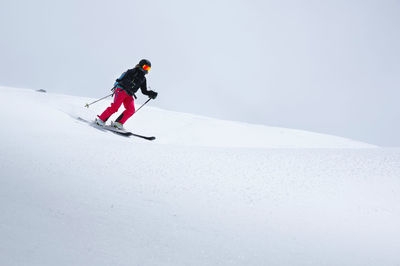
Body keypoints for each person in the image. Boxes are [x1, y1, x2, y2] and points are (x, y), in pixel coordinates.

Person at [95, 59, 158, 129]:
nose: (147, 70)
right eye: (146, 67)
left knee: (131, 110)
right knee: (115, 107)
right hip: (121, 90)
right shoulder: (132, 71)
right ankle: (101, 120)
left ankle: (118, 123)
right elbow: (124, 79)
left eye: (148, 68)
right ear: (141, 65)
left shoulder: (143, 79)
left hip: (129, 94)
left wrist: (151, 93)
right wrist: (129, 83)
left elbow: (144, 91)